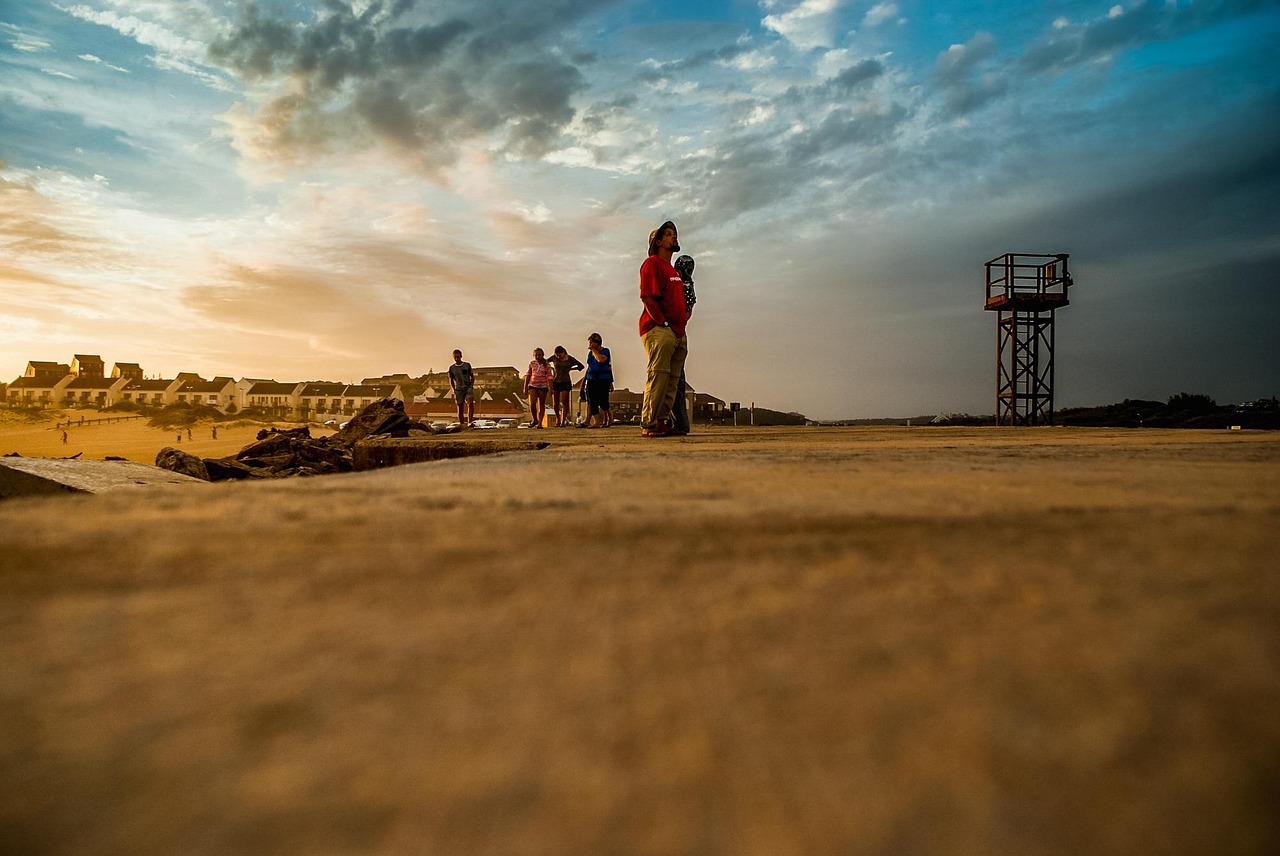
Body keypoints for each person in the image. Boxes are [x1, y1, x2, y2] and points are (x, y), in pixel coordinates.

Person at [637, 220, 689, 437]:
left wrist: (680, 327)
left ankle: (660, 420)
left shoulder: (672, 269)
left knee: (671, 379)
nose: (673, 237)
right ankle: (648, 423)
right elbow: (648, 297)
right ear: (657, 241)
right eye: (668, 234)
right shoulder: (652, 263)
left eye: (674, 233)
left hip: (678, 332)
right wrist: (663, 323)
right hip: (659, 329)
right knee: (658, 375)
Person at [671, 254, 697, 435]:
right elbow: (688, 314)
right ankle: (680, 421)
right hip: (681, 332)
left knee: (673, 381)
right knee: (678, 378)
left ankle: (679, 422)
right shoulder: (690, 287)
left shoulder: (678, 285)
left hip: (673, 333)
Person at [547, 346, 584, 427]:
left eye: (560, 355)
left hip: (566, 381)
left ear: (564, 352)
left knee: (565, 401)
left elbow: (581, 366)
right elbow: (545, 363)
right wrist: (552, 369)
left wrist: (571, 369)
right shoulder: (554, 358)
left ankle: (563, 420)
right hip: (556, 381)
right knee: (555, 402)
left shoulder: (570, 359)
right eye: (557, 355)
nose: (559, 357)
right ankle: (558, 419)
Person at [583, 332, 613, 428]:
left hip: (603, 380)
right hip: (591, 379)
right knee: (592, 400)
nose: (590, 345)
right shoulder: (590, 354)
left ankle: (609, 417)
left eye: (591, 343)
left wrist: (594, 351)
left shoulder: (605, 351)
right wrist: (584, 380)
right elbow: (589, 366)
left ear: (597, 342)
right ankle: (596, 421)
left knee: (603, 400)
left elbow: (601, 360)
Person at [523, 347, 553, 428]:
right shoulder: (532, 363)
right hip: (532, 385)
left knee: (542, 404)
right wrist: (525, 387)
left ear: (542, 355)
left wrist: (550, 388)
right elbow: (528, 375)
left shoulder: (547, 365)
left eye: (539, 355)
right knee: (532, 403)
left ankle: (540, 422)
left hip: (543, 386)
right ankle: (534, 419)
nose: (537, 356)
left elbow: (550, 377)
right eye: (536, 355)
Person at [449, 349, 475, 426]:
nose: (456, 359)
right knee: (460, 406)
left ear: (461, 356)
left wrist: (471, 386)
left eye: (458, 357)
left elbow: (472, 376)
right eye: (455, 357)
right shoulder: (452, 368)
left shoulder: (467, 365)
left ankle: (469, 422)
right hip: (459, 389)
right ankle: (462, 424)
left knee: (470, 404)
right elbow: (451, 379)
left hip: (468, 388)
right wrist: (454, 389)